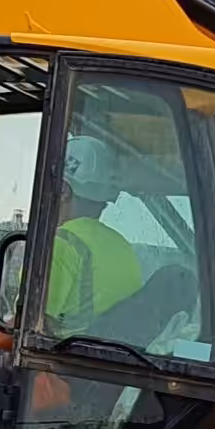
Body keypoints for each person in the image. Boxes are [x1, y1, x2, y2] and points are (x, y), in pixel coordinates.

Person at [47, 133, 143, 336]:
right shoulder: (123, 247)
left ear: (63, 190)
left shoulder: (60, 245)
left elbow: (24, 329)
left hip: (63, 362)